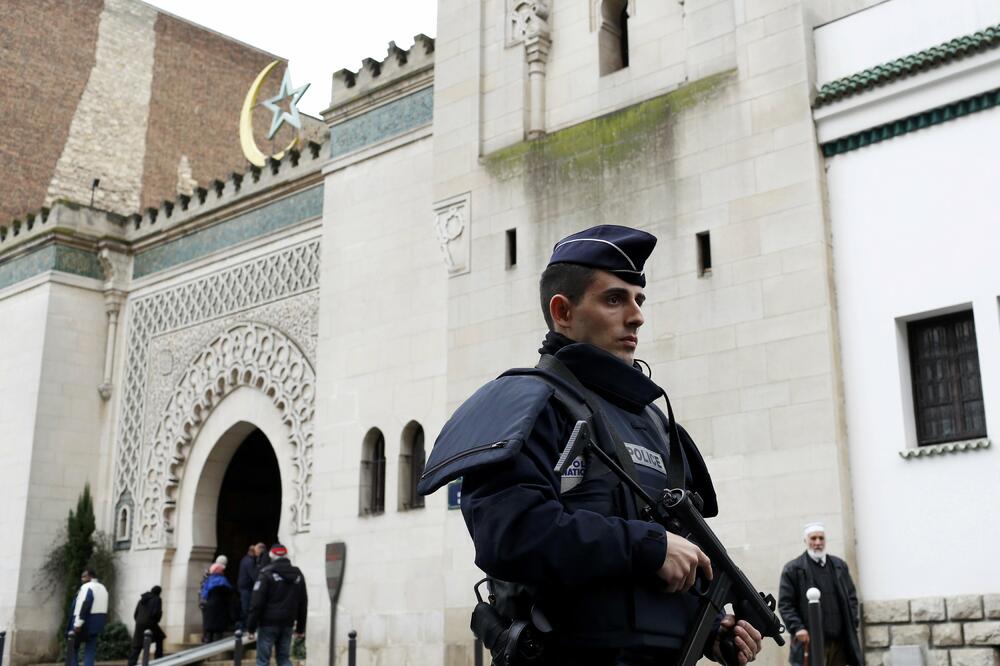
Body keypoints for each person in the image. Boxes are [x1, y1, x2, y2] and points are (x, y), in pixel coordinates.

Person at [418, 225, 764, 665]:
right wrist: (647, 546)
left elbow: (672, 557)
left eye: (639, 300)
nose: (636, 315)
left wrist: (710, 627)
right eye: (615, 299)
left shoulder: (655, 424)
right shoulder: (529, 406)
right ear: (562, 311)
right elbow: (511, 535)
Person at [778, 523, 861, 666]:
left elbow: (851, 598)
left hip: (840, 641)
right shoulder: (793, 569)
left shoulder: (839, 565)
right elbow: (786, 604)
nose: (818, 542)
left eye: (821, 538)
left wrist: (852, 622)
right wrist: (797, 628)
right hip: (812, 641)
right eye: (813, 538)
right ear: (806, 541)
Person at [246, 543, 307, 666]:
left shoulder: (266, 573)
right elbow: (303, 602)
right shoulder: (298, 574)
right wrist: (300, 628)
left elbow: (256, 603)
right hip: (288, 622)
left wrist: (250, 627)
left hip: (268, 622)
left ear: (271, 555)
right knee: (284, 659)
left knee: (263, 660)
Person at [67, 567, 109, 666]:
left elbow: (84, 605)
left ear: (90, 576)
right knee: (90, 651)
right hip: (97, 623)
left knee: (72, 648)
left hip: (84, 623)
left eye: (84, 576)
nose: (82, 579)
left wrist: (78, 624)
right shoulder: (103, 588)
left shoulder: (87, 587)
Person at [127, 586, 165, 666]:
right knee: (160, 637)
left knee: (137, 645)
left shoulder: (142, 599)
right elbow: (156, 613)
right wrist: (156, 620)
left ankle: (131, 663)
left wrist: (139, 621)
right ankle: (159, 659)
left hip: (139, 624)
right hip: (150, 623)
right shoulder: (157, 599)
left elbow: (136, 613)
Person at [200, 562, 235, 643]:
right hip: (220, 607)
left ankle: (208, 641)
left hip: (209, 606)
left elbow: (204, 593)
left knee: (209, 629)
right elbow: (229, 590)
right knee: (218, 630)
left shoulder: (208, 580)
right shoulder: (223, 580)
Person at [238, 543, 267, 627]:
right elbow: (254, 576)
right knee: (247, 608)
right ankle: (246, 627)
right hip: (247, 588)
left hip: (244, 587)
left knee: (245, 608)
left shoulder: (245, 559)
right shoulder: (249, 561)